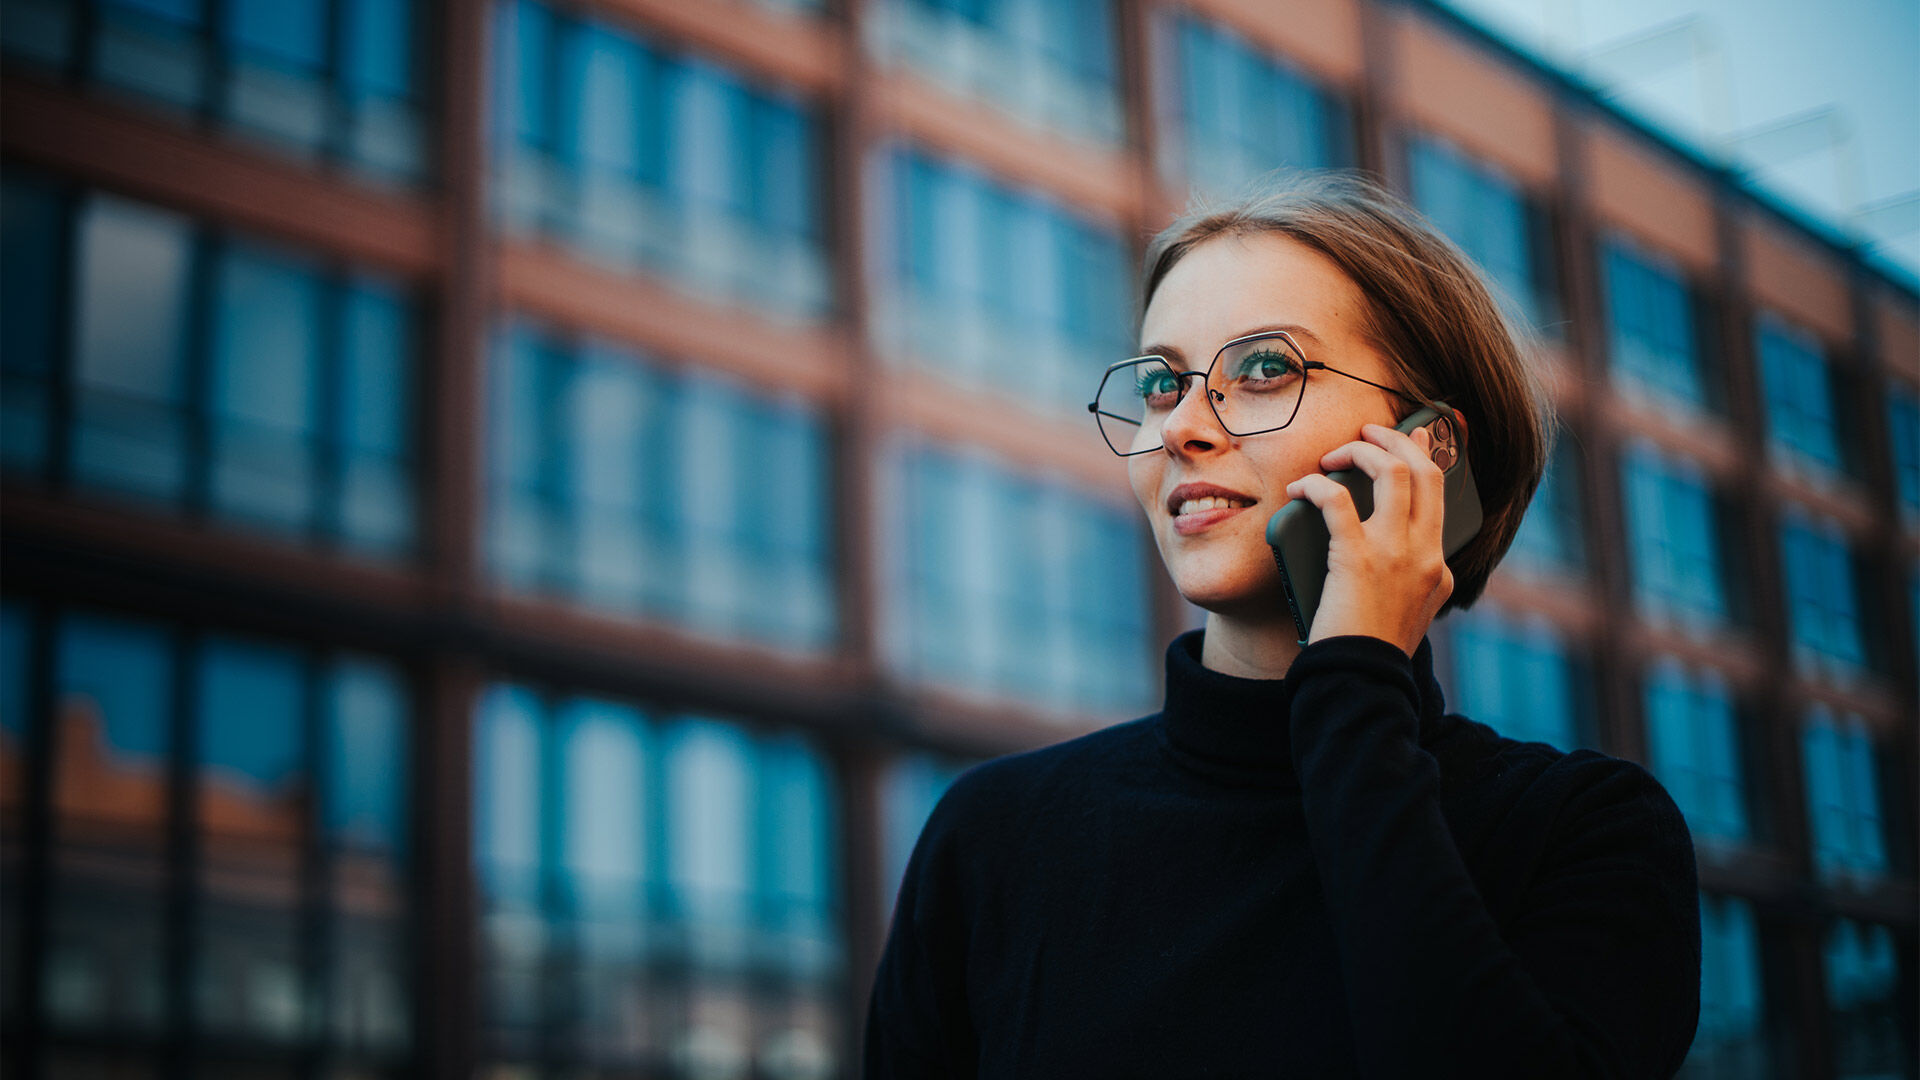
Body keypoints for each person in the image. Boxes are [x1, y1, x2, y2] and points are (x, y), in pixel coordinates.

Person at [863, 172, 1702, 1078]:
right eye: (1159, 383)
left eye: (1263, 370)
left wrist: (1352, 675)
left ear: (1429, 451)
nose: (1183, 426)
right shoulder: (994, 838)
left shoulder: (1582, 833)